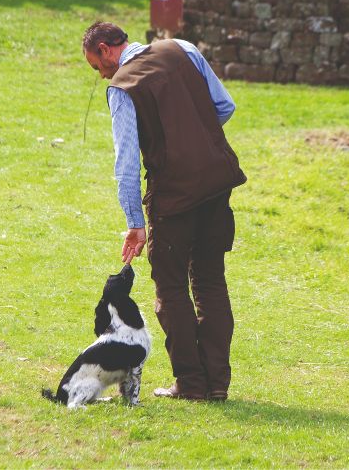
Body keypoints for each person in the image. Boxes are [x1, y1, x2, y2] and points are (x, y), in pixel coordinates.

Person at [81, 22, 246, 402]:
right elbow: (225, 106)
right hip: (217, 181)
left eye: (97, 66)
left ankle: (191, 384)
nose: (102, 74)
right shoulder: (182, 48)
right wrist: (192, 136)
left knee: (171, 288)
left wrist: (134, 225)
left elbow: (125, 165)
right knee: (211, 282)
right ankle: (217, 383)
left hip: (173, 194)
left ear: (106, 49)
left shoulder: (122, 87)